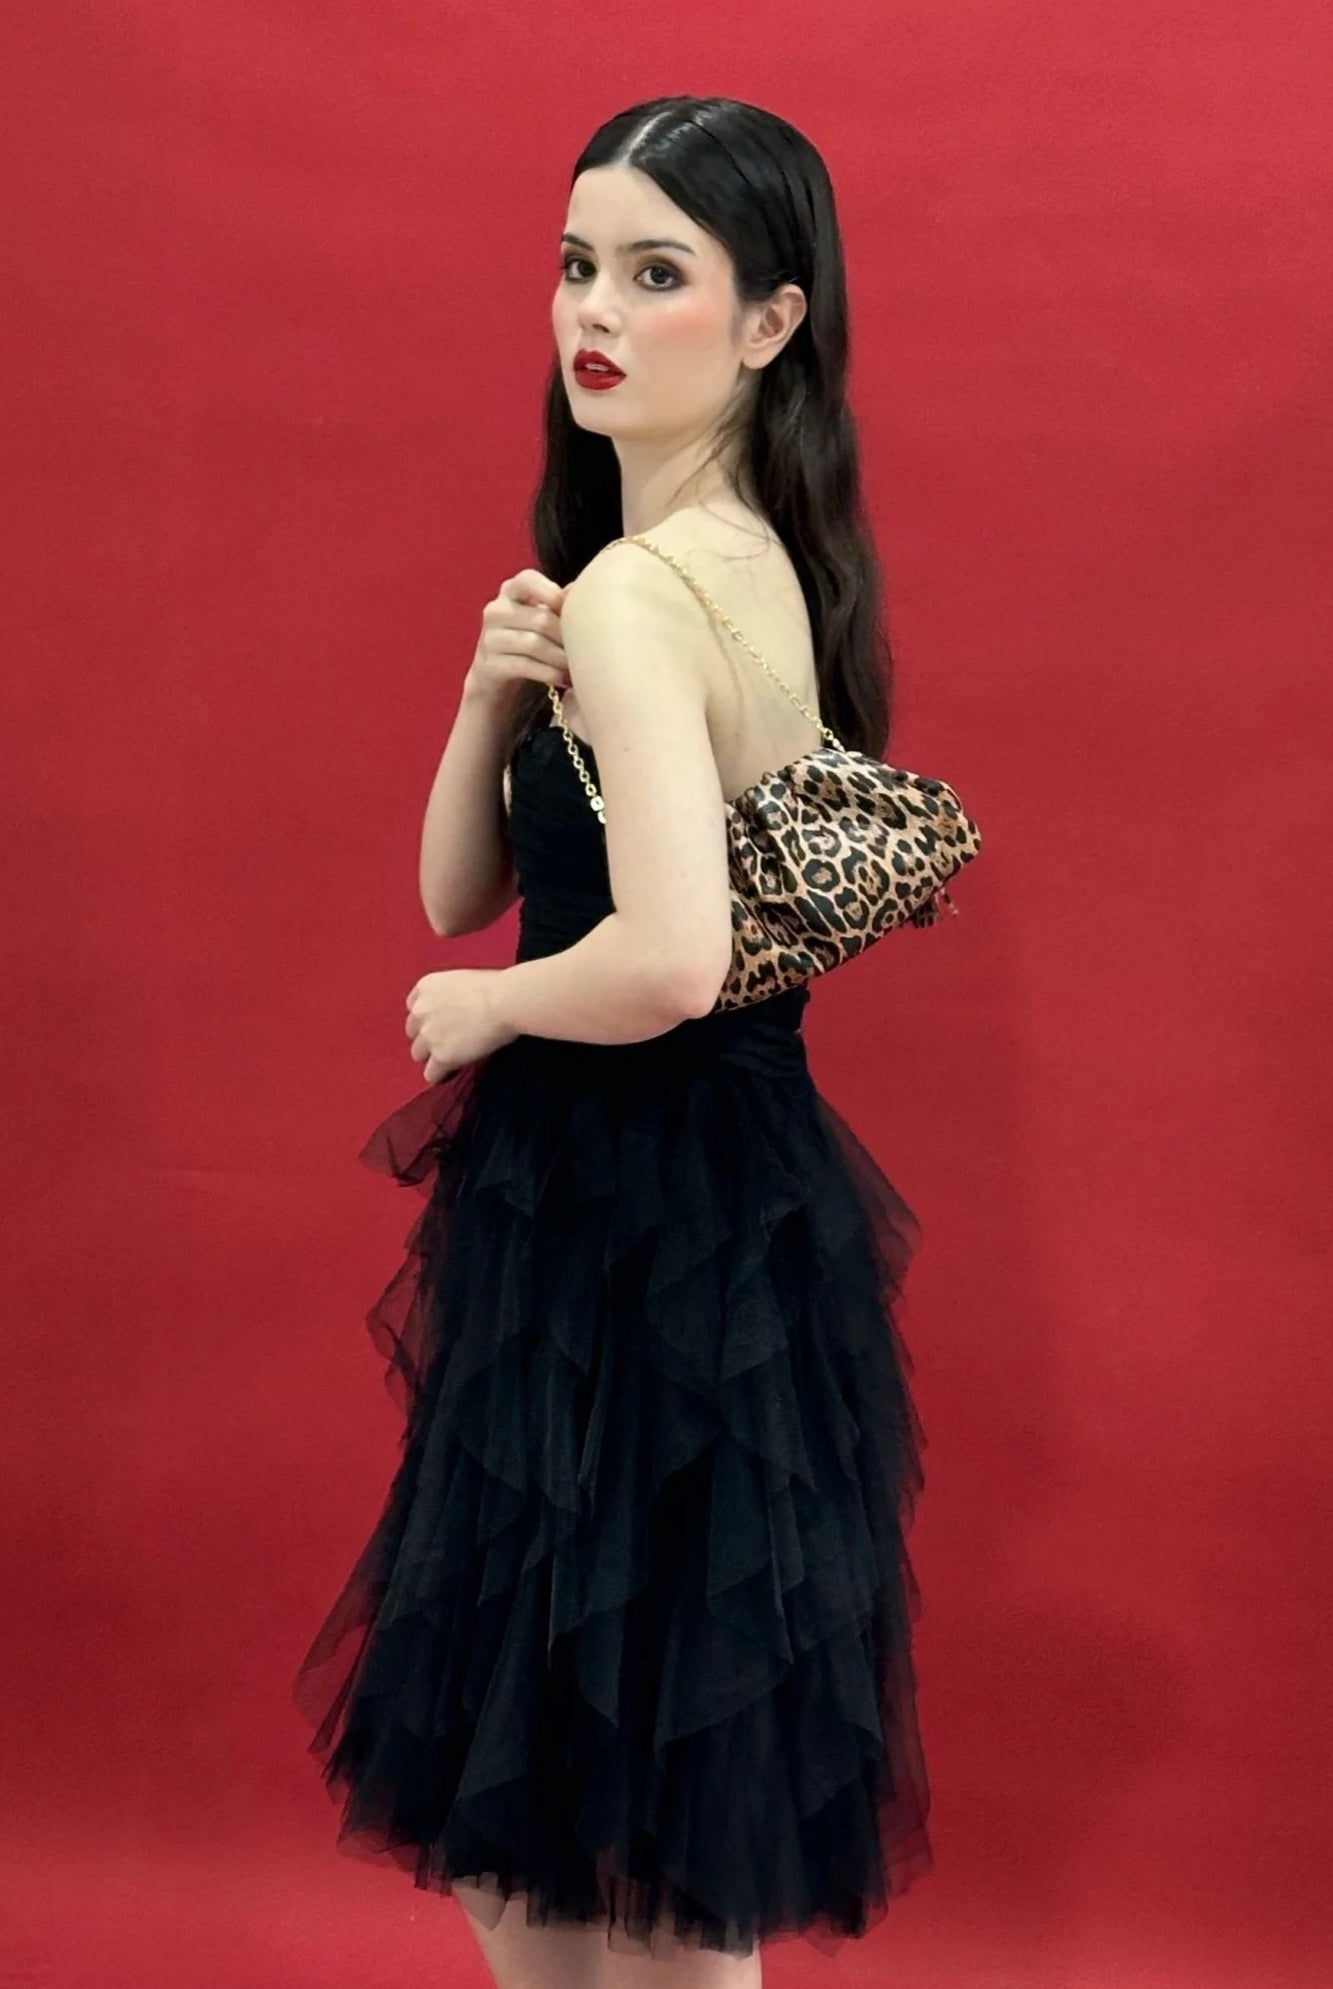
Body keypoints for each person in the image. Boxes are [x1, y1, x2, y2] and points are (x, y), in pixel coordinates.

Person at [293, 95, 936, 1987]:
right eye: (579, 265)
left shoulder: (647, 593)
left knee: (605, 1826)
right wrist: (486, 692)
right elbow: (457, 883)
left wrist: (492, 1006)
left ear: (769, 321)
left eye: (658, 273)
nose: (595, 311)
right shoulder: (747, 562)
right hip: (704, 1212)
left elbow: (664, 956)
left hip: (633, 1219)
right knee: (619, 1824)